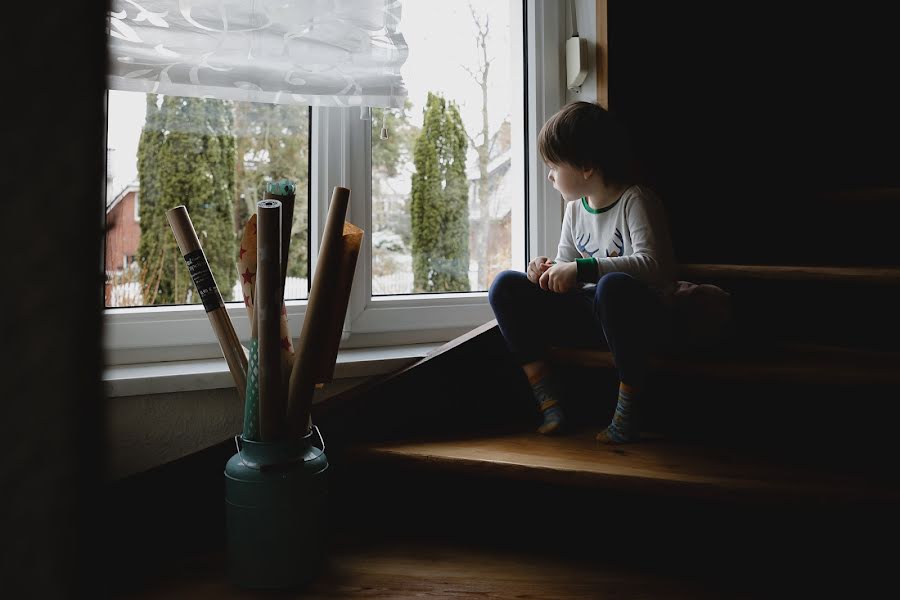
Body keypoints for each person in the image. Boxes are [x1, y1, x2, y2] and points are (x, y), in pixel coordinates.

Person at [488, 101, 677, 444]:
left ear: (586, 166)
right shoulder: (576, 210)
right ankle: (549, 400)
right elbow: (567, 264)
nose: (549, 175)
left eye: (553, 165)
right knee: (505, 285)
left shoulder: (636, 201)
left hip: (637, 320)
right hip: (592, 317)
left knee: (613, 286)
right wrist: (543, 273)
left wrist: (582, 268)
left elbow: (654, 266)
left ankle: (629, 409)